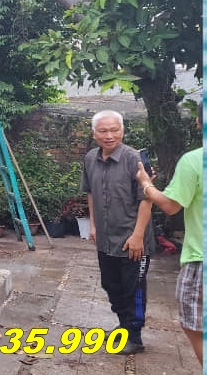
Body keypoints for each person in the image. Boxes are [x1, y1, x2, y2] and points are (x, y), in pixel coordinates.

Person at [81, 110, 155, 355]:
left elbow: (147, 199)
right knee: (111, 284)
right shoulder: (90, 158)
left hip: (132, 239)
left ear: (122, 130)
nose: (109, 135)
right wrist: (93, 225)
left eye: (115, 130)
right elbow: (90, 192)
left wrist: (138, 236)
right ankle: (123, 325)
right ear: (94, 133)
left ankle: (134, 337)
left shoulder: (135, 160)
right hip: (105, 238)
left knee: (133, 289)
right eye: (103, 131)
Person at [135, 102, 202, 364]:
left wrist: (146, 185)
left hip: (201, 258)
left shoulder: (195, 161)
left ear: (198, 122)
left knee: (193, 323)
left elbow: (171, 206)